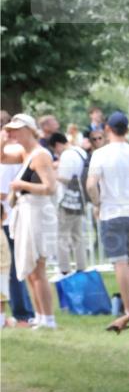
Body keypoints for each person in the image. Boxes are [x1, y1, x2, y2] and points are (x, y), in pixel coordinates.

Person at [1, 113, 59, 329]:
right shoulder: (24, 153)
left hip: (38, 213)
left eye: (15, 129)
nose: (11, 133)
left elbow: (50, 187)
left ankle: (48, 318)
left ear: (28, 130)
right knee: (30, 270)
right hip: (25, 212)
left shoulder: (40, 155)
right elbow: (1, 157)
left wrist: (21, 185)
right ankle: (40, 315)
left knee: (38, 268)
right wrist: (4, 140)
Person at [87, 111, 129, 313]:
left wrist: (97, 204)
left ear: (107, 129)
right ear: (127, 129)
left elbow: (91, 184)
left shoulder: (100, 154)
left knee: (120, 262)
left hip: (111, 212)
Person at [0, 111, 35, 325]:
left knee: (12, 268)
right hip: (12, 215)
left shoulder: (15, 151)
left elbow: (8, 186)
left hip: (9, 215)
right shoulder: (14, 151)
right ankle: (21, 313)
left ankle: (22, 313)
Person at [51, 132, 90, 274]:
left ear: (57, 145)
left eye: (55, 150)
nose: (57, 153)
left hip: (67, 201)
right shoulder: (80, 151)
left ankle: (64, 269)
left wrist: (52, 173)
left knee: (62, 236)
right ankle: (81, 266)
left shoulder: (67, 155)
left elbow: (66, 178)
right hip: (80, 200)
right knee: (77, 235)